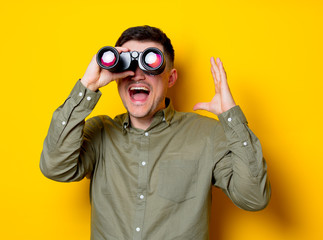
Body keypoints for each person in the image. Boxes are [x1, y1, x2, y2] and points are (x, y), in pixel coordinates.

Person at [40, 25, 271, 240]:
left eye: (150, 63)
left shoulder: (207, 134)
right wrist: (88, 86)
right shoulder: (100, 132)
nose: (137, 75)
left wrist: (231, 118)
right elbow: (55, 167)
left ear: (170, 78)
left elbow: (254, 198)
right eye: (128, 64)